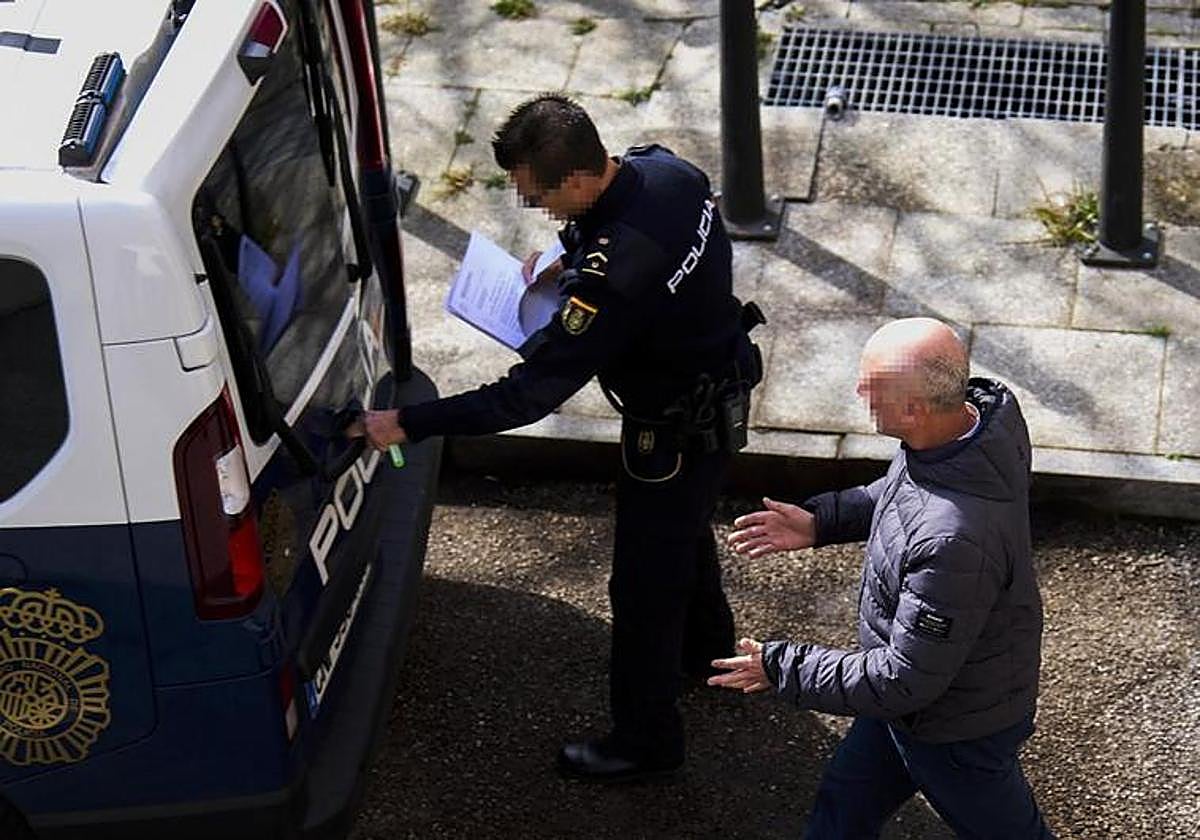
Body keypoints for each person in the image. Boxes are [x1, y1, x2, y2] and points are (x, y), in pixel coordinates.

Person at [354, 93, 764, 782]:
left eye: (539, 197)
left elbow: (527, 395)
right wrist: (563, 254)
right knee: (685, 532)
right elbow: (620, 226)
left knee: (641, 588)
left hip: (672, 430)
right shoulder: (667, 172)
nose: (539, 209)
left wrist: (409, 422)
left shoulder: (614, 281)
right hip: (717, 396)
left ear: (574, 180)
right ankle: (707, 652)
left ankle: (644, 742)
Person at [710, 317, 1053, 839]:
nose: (858, 390)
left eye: (872, 385)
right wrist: (823, 520)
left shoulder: (954, 542)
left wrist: (781, 667)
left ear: (913, 410)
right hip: (909, 707)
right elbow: (905, 492)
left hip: (954, 730)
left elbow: (900, 680)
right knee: (842, 809)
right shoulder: (969, 430)